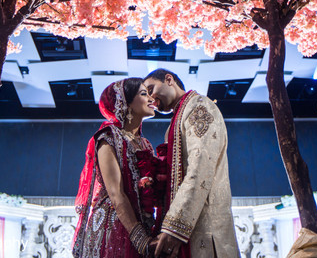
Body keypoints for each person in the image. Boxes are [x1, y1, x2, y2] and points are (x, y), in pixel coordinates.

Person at [143, 69, 240, 258]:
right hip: (188, 225)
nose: (150, 100)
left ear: (169, 80)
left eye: (151, 89)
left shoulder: (199, 106)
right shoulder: (177, 119)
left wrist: (174, 227)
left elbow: (201, 167)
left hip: (203, 224)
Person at [72, 78, 161, 258]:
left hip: (141, 223)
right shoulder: (108, 138)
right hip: (113, 228)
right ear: (125, 103)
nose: (151, 99)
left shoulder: (145, 144)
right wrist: (140, 239)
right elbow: (116, 194)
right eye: (144, 94)